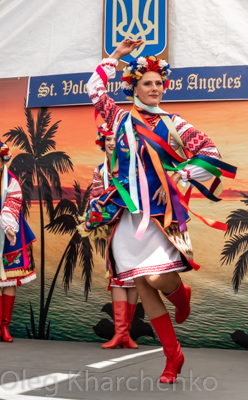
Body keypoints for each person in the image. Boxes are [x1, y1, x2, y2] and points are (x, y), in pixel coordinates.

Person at [85, 39, 236, 383]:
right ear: (134, 87)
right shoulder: (119, 116)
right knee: (142, 282)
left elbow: (210, 153)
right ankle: (173, 357)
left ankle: (182, 298)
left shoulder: (174, 123)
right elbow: (94, 88)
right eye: (147, 83)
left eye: (158, 83)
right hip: (127, 214)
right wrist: (117, 57)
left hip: (160, 214)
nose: (155, 88)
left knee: (154, 276)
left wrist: (179, 175)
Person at [90, 124, 138, 349]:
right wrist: (92, 218)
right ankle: (120, 333)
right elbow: (95, 198)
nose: (111, 143)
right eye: (107, 139)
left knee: (134, 277)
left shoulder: (135, 168)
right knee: (118, 276)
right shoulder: (99, 171)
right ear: (103, 142)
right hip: (115, 229)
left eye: (115, 139)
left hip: (136, 227)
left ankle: (127, 333)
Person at [0, 141, 36, 342]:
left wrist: (8, 229)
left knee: (9, 279)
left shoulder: (11, 181)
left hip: (10, 233)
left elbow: (12, 206)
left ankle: (5, 326)